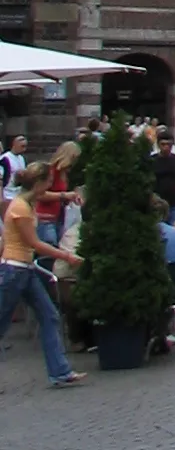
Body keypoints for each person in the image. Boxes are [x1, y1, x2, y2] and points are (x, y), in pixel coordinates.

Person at [0, 162, 85, 386]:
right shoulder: (21, 208)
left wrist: (66, 195)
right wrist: (66, 256)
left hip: (25, 270)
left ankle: (59, 371)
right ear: (38, 183)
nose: (50, 185)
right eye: (48, 181)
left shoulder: (27, 199)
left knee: (50, 316)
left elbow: (46, 195)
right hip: (14, 270)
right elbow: (34, 243)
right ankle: (59, 371)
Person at [149, 132, 175, 223]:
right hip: (157, 204)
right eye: (163, 144)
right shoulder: (152, 160)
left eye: (168, 144)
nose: (166, 147)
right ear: (158, 144)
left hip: (174, 204)